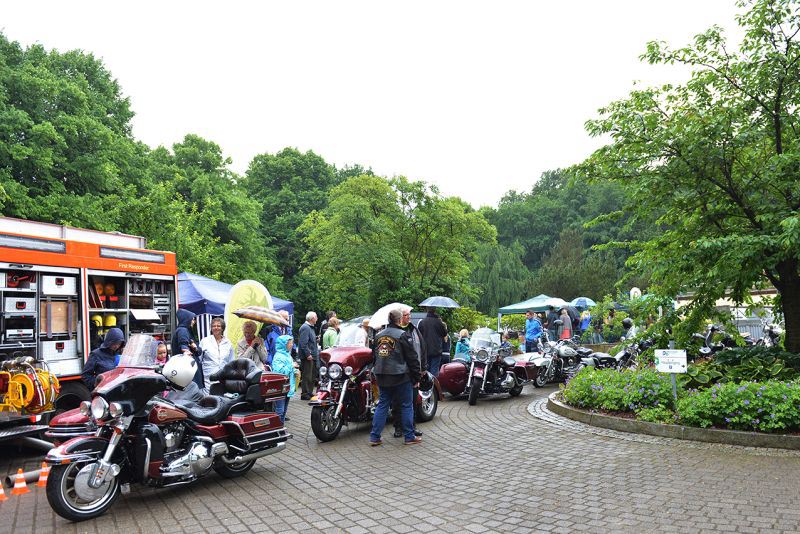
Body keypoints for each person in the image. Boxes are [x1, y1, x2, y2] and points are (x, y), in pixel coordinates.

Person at [369, 308, 422, 446]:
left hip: (382, 375)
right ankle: (409, 436)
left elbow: (373, 357)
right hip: (400, 376)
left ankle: (374, 437)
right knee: (406, 405)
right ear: (399, 320)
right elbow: (412, 358)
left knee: (383, 404)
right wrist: (416, 377)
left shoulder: (378, 336)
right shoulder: (403, 335)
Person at [393, 308, 426, 438]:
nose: (408, 317)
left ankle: (412, 427)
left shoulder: (414, 330)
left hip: (413, 371)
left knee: (413, 401)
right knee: (397, 402)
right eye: (406, 315)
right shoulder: (397, 333)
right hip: (399, 372)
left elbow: (422, 349)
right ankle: (398, 427)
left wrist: (423, 367)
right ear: (400, 317)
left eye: (409, 315)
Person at [200, 317, 234, 393]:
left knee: (222, 396)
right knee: (210, 397)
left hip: (223, 376)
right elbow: (199, 359)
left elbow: (231, 361)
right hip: (209, 375)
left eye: (218, 326)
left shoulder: (228, 343)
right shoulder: (205, 341)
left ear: (222, 328)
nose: (216, 328)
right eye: (213, 326)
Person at [173, 309, 204, 390]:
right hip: (187, 369)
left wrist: (195, 348)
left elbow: (198, 351)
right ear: (187, 319)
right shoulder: (182, 330)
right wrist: (186, 351)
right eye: (192, 319)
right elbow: (183, 345)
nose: (194, 321)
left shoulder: (187, 331)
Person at [271, 335, 296, 423]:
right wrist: (291, 366)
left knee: (284, 410)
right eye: (290, 343)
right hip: (280, 387)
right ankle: (277, 428)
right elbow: (280, 372)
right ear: (283, 344)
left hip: (287, 387)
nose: (292, 345)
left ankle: (281, 427)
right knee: (279, 411)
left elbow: (289, 369)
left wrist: (295, 370)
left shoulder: (287, 355)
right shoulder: (278, 356)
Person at [418, 307, 447, 377]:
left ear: (427, 311)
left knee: (425, 369)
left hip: (425, 350)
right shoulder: (439, 322)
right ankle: (433, 386)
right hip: (436, 350)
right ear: (435, 311)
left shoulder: (422, 322)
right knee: (434, 370)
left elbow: (418, 335)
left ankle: (426, 386)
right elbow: (444, 333)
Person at [298, 311, 319, 400]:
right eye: (316, 317)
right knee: (307, 375)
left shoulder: (310, 328)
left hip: (312, 355)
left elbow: (308, 341)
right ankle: (305, 394)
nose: (317, 319)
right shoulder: (305, 327)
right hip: (308, 357)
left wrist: (316, 339)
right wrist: (308, 354)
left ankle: (309, 392)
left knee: (312, 375)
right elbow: (303, 343)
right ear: (312, 318)